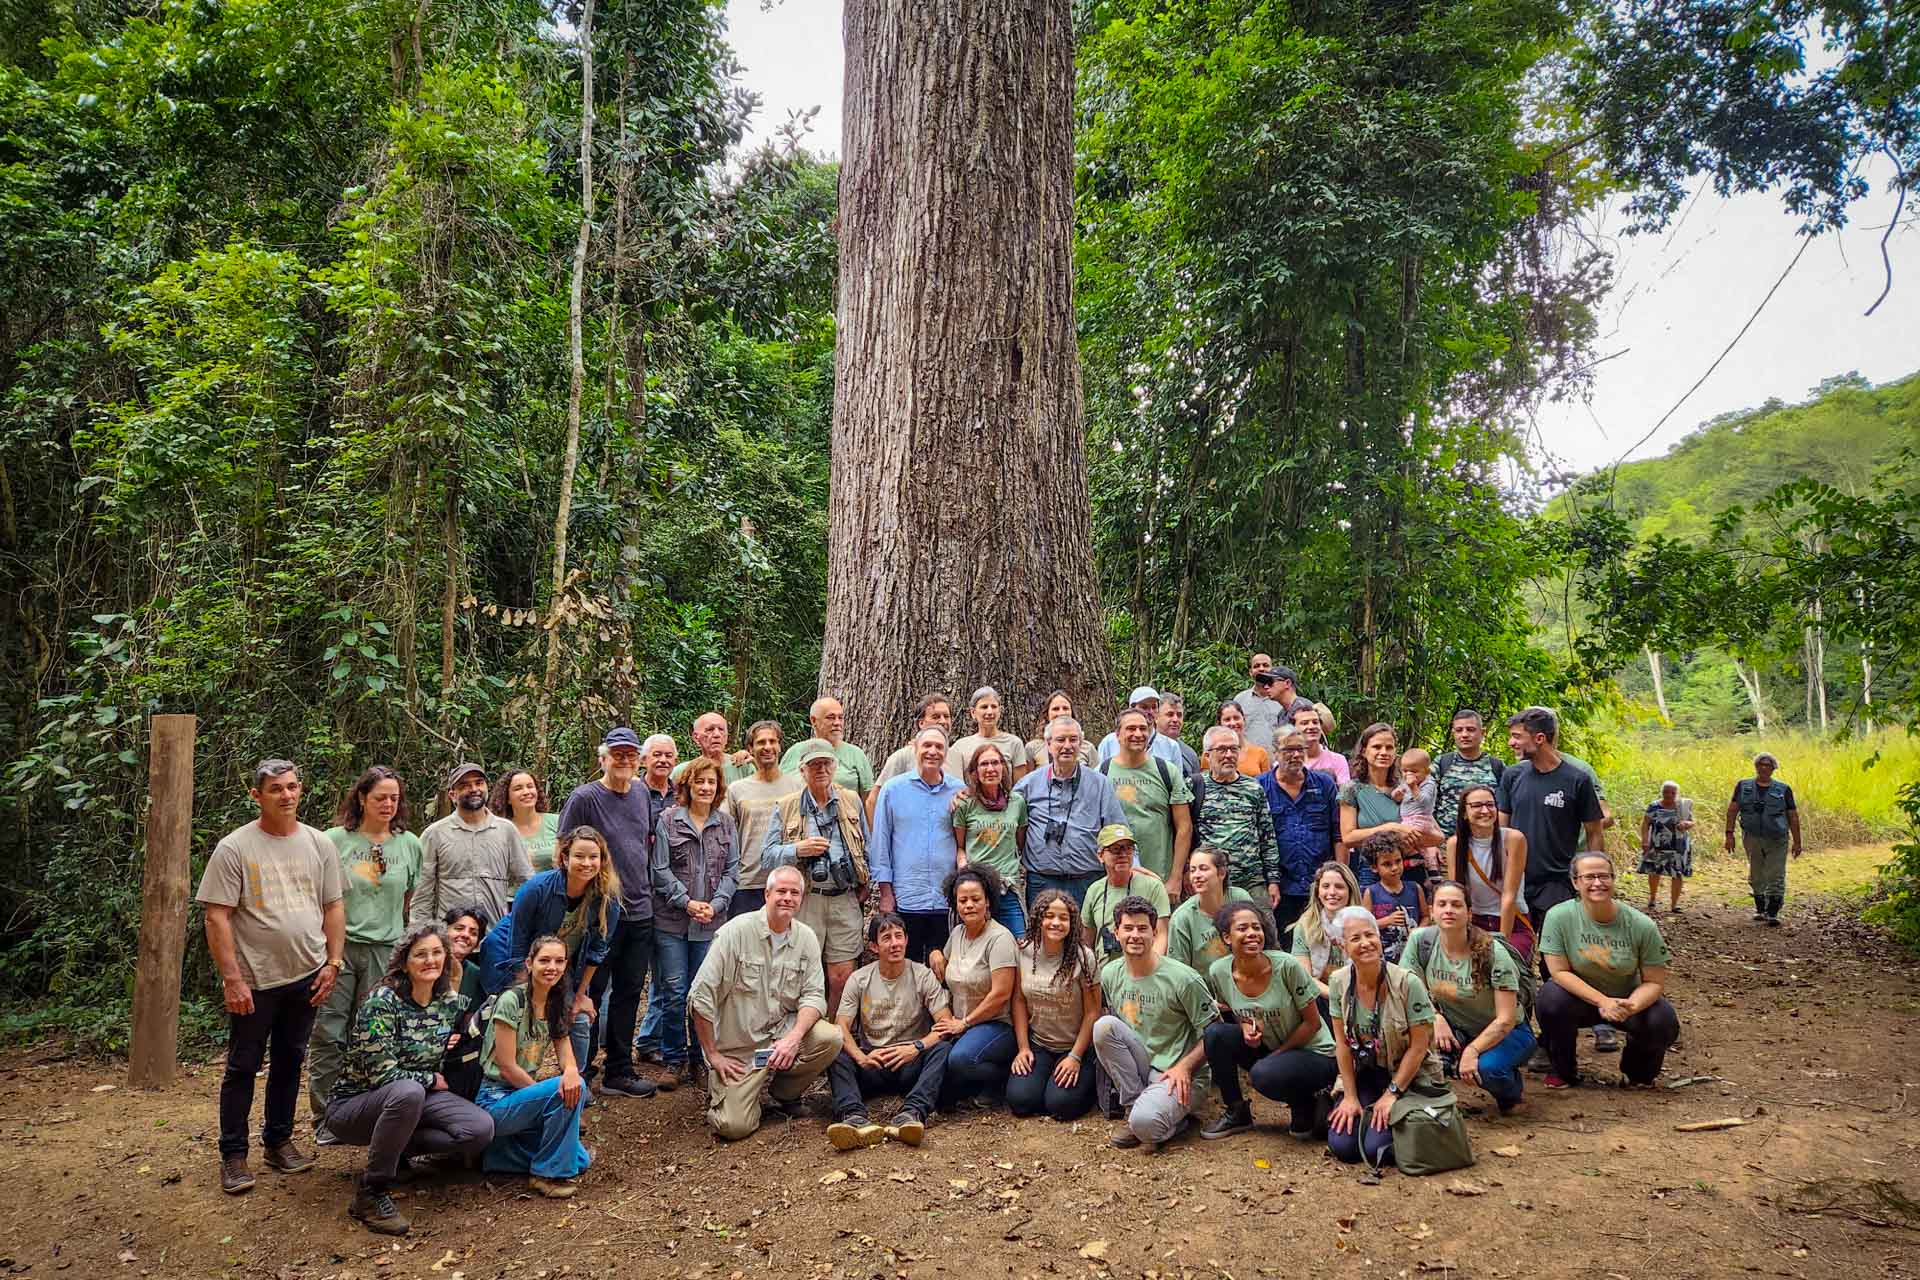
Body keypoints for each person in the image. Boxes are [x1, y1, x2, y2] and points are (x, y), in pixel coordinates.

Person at [197, 758, 345, 1194]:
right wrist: (232, 978)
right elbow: (216, 917)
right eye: (276, 788)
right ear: (256, 795)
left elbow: (333, 906)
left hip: (307, 973)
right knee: (243, 1065)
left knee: (290, 1059)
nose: (286, 795)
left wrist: (333, 962)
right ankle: (233, 1155)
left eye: (293, 787)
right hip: (256, 979)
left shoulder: (319, 844)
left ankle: (278, 1141)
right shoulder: (235, 848)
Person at [322, 924, 494, 1234]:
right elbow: (382, 1073)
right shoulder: (381, 1002)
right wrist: (429, 1078)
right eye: (420, 955)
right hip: (355, 1105)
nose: (430, 960)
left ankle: (397, 1151)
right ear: (404, 961)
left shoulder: (446, 1002)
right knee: (409, 1091)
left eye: (437, 953)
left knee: (479, 1129)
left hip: (414, 1097)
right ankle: (371, 1193)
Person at [688, 865, 845, 1140]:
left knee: (830, 1037)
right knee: (733, 1127)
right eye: (781, 891)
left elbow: (813, 996)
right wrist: (712, 1055)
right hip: (739, 1049)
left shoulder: (806, 937)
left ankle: (785, 1093)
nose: (787, 897)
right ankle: (735, 1095)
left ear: (801, 899)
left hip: (780, 1037)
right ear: (766, 894)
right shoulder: (734, 933)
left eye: (794, 893)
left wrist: (794, 1038)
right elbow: (699, 998)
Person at [310, 766, 423, 1142]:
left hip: (386, 950)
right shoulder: (332, 841)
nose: (388, 804)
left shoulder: (410, 844)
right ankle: (325, 1117)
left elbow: (408, 900)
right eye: (380, 797)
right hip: (338, 949)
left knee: (374, 1034)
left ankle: (365, 1113)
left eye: (394, 798)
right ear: (361, 798)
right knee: (329, 1031)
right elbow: (320, 898)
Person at [554, 728, 660, 1100]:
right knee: (590, 990)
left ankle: (619, 1069)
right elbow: (563, 850)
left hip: (640, 909)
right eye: (618, 755)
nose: (625, 761)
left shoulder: (642, 793)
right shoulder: (585, 797)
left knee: (630, 990)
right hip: (598, 912)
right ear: (603, 758)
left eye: (632, 755)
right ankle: (578, 1072)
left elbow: (643, 846)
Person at [1538, 853, 1680, 1088]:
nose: (1597, 883)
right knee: (1550, 999)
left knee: (1662, 1020)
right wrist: (1602, 1001)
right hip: (1580, 999)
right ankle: (1563, 1070)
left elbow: (1654, 982)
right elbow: (1558, 971)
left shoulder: (1640, 924)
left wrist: (1631, 1006)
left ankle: (1638, 1073)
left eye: (1604, 876)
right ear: (1575, 882)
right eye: (1589, 877)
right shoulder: (1559, 916)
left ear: (1613, 880)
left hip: (1627, 1000)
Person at [489, 827, 619, 1081]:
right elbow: (517, 947)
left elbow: (597, 950)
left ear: (602, 860)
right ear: (564, 858)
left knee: (578, 1017)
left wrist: (580, 995)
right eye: (579, 856)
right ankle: (510, 1081)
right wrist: (533, 997)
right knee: (517, 1018)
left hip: (560, 966)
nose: (587, 863)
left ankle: (574, 1082)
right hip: (516, 960)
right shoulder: (536, 889)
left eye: (594, 857)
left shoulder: (606, 897)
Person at [1200, 900, 1338, 1141]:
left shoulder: (1286, 966)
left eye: (1257, 927)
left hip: (1314, 1052)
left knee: (1264, 1074)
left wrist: (1277, 1055)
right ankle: (1236, 1111)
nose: (1252, 933)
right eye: (1242, 928)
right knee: (1215, 1034)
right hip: (1271, 1047)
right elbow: (1234, 1013)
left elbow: (1312, 1024)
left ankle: (1307, 1099)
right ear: (1227, 937)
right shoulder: (1219, 971)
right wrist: (1245, 1027)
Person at [1326, 907, 1446, 1174]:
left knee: (1374, 1151)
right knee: (1343, 1146)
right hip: (1367, 1073)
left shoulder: (1406, 983)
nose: (1366, 943)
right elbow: (1342, 1044)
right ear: (1342, 945)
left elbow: (1419, 1046)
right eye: (1355, 938)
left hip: (1408, 1077)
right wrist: (1349, 1095)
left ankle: (1414, 1121)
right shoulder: (1338, 982)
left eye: (1370, 934)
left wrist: (1392, 1094)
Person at [1092, 896, 1217, 1150]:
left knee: (1147, 1125)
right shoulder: (1110, 973)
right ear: (1116, 933)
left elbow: (1215, 1032)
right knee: (1103, 1026)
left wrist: (1186, 1067)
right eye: (1128, 928)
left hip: (1179, 1073)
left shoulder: (1183, 978)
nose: (1135, 935)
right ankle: (1135, 1105)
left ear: (1155, 932)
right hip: (1143, 1062)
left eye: (1142, 928)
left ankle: (1157, 1115)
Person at [1403, 882, 1535, 1114]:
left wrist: (1472, 1051)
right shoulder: (1421, 942)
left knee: (1487, 1069)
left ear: (1469, 913)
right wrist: (1434, 1016)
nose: (1448, 910)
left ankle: (1511, 1093)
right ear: (1432, 911)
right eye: (1442, 904)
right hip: (1455, 1028)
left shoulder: (1491, 951)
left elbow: (1505, 1020)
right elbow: (1407, 987)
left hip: (1508, 1032)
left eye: (1456, 905)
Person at [476, 935, 592, 1197]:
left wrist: (571, 1071)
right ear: (530, 963)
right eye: (545, 960)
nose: (552, 967)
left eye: (559, 961)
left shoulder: (555, 1000)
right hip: (495, 1097)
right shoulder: (511, 1001)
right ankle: (546, 1175)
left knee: (581, 1160)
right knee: (563, 1093)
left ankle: (498, 1157)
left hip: (522, 1098)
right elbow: (506, 1067)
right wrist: (546, 1099)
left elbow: (565, 1054)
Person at [764, 738, 872, 1021]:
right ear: (802, 771)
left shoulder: (850, 801)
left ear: (834, 767)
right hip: (806, 899)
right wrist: (798, 849)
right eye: (814, 765)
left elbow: (869, 848)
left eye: (826, 763)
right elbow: (766, 856)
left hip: (844, 898)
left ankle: (834, 1035)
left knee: (841, 977)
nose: (821, 769)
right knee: (800, 972)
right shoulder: (787, 806)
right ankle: (801, 1034)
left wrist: (866, 883)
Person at [650, 757, 741, 1086]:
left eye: (711, 782)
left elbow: (734, 870)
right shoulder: (668, 820)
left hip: (711, 923)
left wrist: (716, 905)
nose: (705, 787)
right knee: (674, 991)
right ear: (687, 786)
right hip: (672, 920)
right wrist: (686, 903)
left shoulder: (726, 823)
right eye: (699, 782)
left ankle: (701, 1058)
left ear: (718, 788)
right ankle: (673, 1059)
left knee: (704, 992)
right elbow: (658, 869)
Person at [826, 913, 952, 1149]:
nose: (894, 943)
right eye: (886, 938)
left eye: (899, 936)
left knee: (943, 1048)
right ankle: (854, 1118)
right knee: (835, 1050)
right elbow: (841, 1026)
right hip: (873, 1062)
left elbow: (945, 1024)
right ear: (874, 946)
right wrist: (861, 1058)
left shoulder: (922, 975)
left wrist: (916, 1048)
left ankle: (911, 1115)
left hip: (910, 1062)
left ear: (906, 940)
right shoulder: (860, 979)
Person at [1497, 707, 1606, 933]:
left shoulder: (1578, 780)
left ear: (1539, 738)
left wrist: (1592, 875)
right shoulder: (1512, 775)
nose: (1511, 743)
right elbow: (1501, 829)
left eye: (1517, 736)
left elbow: (1594, 832)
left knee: (1554, 955)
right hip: (1515, 882)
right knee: (1514, 953)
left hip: (1557, 884)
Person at [870, 726, 967, 963]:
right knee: (907, 967)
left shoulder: (960, 791)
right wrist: (885, 892)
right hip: (906, 898)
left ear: (946, 753)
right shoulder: (893, 790)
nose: (932, 752)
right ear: (915, 748)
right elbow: (880, 842)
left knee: (945, 968)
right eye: (927, 745)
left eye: (939, 747)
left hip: (946, 900)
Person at [929, 867, 1020, 1108]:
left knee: (960, 1059)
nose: (969, 905)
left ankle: (1001, 1080)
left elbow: (1001, 995)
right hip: (961, 1023)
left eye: (976, 899)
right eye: (963, 900)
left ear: (988, 902)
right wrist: (936, 952)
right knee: (932, 1065)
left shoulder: (1000, 938)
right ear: (955, 904)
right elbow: (944, 969)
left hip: (996, 1024)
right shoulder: (958, 933)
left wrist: (965, 1023)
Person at [1008, 890, 1100, 1121]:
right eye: (1049, 916)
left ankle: (1090, 1081)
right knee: (1021, 1102)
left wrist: (1075, 1057)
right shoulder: (1024, 951)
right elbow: (1019, 1000)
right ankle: (1044, 1082)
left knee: (1061, 1106)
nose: (1056, 923)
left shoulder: (1083, 957)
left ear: (1073, 923)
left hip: (1076, 1046)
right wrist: (1023, 1048)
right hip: (1039, 1044)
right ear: (1038, 918)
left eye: (1063, 918)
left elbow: (1093, 1013)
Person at [1016, 716, 1125, 910]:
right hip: (1042, 881)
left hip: (1087, 881)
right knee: (1043, 938)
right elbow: (1002, 814)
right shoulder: (1028, 785)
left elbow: (1117, 831)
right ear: (1048, 744)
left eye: (1073, 740)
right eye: (1060, 740)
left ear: (1081, 744)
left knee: (1086, 939)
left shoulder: (1100, 784)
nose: (1067, 745)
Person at [413, 763, 533, 928]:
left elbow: (527, 882)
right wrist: (420, 936)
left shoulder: (506, 830)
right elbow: (422, 894)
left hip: (495, 937)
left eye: (479, 783)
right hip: (449, 939)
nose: (474, 788)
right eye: (464, 785)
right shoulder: (435, 834)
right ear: (452, 795)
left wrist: (516, 924)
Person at [1099, 707, 1194, 885]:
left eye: (1144, 728)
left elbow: (1184, 827)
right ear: (1117, 734)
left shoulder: (1167, 771)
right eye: (1131, 728)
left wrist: (1175, 878)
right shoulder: (1102, 773)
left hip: (1160, 878)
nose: (1138, 734)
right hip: (1116, 879)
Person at [1261, 727, 1341, 935]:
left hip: (1320, 885)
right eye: (1289, 750)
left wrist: (1339, 876)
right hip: (1280, 887)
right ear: (1275, 752)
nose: (1296, 755)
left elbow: (1337, 834)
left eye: (1300, 749)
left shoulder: (1324, 785)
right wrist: (1271, 882)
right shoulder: (1260, 787)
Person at [1339, 724, 1436, 887]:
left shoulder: (1406, 786)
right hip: (1372, 870)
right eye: (1377, 747)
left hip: (1410, 868)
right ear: (1364, 751)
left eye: (1389, 747)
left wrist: (1419, 838)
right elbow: (1348, 838)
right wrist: (1390, 828)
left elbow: (1435, 835)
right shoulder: (1352, 789)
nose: (1383, 752)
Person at [1194, 725, 1281, 908]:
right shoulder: (1194, 787)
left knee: (1261, 933)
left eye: (1234, 749)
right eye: (1222, 749)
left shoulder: (1253, 788)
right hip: (1211, 884)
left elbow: (1267, 836)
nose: (1228, 755)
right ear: (1207, 755)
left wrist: (1273, 880)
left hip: (1252, 881)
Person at [724, 719, 803, 917]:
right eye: (761, 742)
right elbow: (726, 837)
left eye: (772, 741)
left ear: (779, 746)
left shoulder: (798, 788)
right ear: (750, 748)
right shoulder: (736, 789)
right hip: (747, 882)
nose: (767, 747)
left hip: (787, 883)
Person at [1445, 784, 1532, 956]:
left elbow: (1509, 896)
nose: (1485, 810)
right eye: (1477, 806)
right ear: (1464, 812)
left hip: (1512, 921)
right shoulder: (1456, 844)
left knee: (1504, 965)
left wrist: (1502, 944)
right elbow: (1456, 893)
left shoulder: (1513, 839)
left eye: (1490, 805)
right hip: (1475, 922)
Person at [951, 741, 1029, 934]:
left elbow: (1019, 843)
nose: (990, 769)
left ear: (1003, 767)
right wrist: (964, 869)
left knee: (1019, 943)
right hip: (978, 890)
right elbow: (960, 847)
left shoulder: (1017, 802)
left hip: (1008, 887)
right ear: (975, 772)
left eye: (995, 763)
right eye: (984, 764)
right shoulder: (964, 804)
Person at [1726, 752, 1801, 925]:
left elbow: (1793, 816)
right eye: (1761, 764)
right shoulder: (1743, 786)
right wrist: (1729, 834)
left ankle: (1773, 912)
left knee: (1776, 873)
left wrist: (1797, 841)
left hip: (1777, 838)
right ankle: (1760, 908)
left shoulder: (1783, 789)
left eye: (1768, 765)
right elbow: (1732, 810)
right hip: (1751, 836)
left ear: (1774, 769)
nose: (1764, 768)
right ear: (1756, 766)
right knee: (1756, 873)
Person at [1082, 823, 1171, 961]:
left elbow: (1161, 936)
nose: (1123, 855)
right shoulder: (1094, 890)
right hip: (1104, 974)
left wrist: (1151, 971)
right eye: (1116, 849)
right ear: (1100, 855)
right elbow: (1087, 941)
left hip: (1144, 971)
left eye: (1128, 849)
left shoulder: (1153, 886)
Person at [870, 694, 962, 818]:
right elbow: (873, 801)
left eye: (946, 716)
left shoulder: (957, 756)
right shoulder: (902, 757)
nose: (943, 721)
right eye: (936, 716)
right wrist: (876, 835)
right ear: (921, 723)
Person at [1166, 845, 1253, 971]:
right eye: (1192, 870)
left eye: (1203, 869)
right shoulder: (1182, 918)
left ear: (1221, 873)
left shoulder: (1240, 899)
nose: (1196, 875)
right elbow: (1179, 972)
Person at [1291, 861, 1365, 1000]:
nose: (1332, 892)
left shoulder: (1364, 925)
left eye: (1339, 887)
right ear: (1318, 892)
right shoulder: (1304, 926)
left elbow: (1372, 972)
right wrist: (1338, 997)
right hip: (1317, 997)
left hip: (1359, 996)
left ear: (1350, 891)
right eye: (1326, 886)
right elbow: (1304, 978)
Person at [440, 905, 492, 1101]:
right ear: (445, 930)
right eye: (459, 928)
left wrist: (459, 1035)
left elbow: (470, 1020)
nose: (465, 935)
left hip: (455, 1054)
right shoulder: (428, 964)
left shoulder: (475, 974)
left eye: (473, 932)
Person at [780, 695, 875, 799]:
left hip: (844, 814)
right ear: (813, 721)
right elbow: (779, 791)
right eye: (831, 717)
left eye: (840, 717)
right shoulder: (795, 752)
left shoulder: (856, 754)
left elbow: (869, 800)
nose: (837, 723)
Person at [1432, 710, 1507, 841]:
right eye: (1459, 730)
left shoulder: (1496, 766)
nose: (1465, 734)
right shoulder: (1442, 763)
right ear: (1453, 733)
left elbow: (1505, 807)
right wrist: (1430, 844)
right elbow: (1424, 804)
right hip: (1446, 844)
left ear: (1483, 732)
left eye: (1470, 729)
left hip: (1486, 844)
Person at [1360, 835, 1427, 962]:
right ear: (1374, 867)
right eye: (1387, 864)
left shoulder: (1415, 888)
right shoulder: (1371, 892)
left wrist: (1418, 931)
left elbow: (1426, 916)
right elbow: (1365, 925)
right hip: (1384, 958)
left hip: (1412, 955)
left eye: (1398, 861)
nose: (1395, 868)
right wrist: (1387, 921)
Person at [950, 685, 1033, 781]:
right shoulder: (960, 746)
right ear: (973, 713)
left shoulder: (1014, 743)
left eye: (994, 706)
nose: (990, 712)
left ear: (1000, 711)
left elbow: (1020, 787)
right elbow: (954, 785)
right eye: (984, 707)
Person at [1095, 686, 1189, 770]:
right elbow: (1100, 778)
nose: (1150, 712)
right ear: (1132, 708)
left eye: (1154, 707)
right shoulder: (1110, 742)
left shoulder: (1171, 746)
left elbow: (1177, 783)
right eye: (1144, 707)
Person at [1639, 781, 1696, 914]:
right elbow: (1645, 823)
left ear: (1677, 794)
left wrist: (1687, 824)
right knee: (1654, 871)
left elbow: (1692, 821)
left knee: (1677, 873)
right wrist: (1645, 841)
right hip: (1657, 844)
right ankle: (1652, 898)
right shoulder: (1654, 806)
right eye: (1666, 792)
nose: (1669, 795)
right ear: (1662, 792)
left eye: (1673, 792)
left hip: (1679, 845)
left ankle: (1674, 905)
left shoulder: (1682, 806)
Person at [492, 767, 561, 872]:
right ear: (507, 798)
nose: (526, 792)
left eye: (530, 786)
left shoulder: (557, 822)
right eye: (518, 788)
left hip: (555, 887)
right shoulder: (501, 830)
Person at [1392, 747, 1444, 879]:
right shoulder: (1406, 782)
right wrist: (1397, 794)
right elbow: (1397, 798)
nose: (1409, 774)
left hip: (1420, 819)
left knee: (1400, 840)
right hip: (1408, 819)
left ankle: (1411, 862)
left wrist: (1413, 787)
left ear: (1426, 771)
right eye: (1405, 771)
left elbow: (1425, 802)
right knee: (1422, 848)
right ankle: (1432, 871)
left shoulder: (1428, 783)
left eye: (1414, 771)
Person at [672, 712, 753, 784]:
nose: (717, 734)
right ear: (696, 737)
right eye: (710, 730)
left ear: (727, 737)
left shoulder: (742, 765)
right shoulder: (682, 771)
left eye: (721, 729)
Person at [1026, 690, 1099, 769]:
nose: (1061, 713)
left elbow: (1096, 778)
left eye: (1065, 708)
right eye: (1056, 709)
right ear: (1047, 715)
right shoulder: (1033, 748)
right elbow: (1029, 779)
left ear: (1072, 713)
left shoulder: (1088, 748)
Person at [1231, 653, 1284, 759]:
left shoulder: (1281, 699)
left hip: (1276, 763)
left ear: (1272, 670)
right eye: (1256, 666)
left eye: (1265, 665)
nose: (1261, 668)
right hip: (1248, 763)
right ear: (1250, 672)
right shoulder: (1240, 700)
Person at [1201, 701, 1270, 776]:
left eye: (1236, 718)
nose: (1233, 723)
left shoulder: (1259, 753)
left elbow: (1266, 785)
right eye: (1227, 719)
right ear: (1219, 723)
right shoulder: (1211, 754)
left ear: (1244, 719)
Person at [1296, 702, 1350, 786]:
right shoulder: (1287, 761)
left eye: (1315, 722)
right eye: (1304, 723)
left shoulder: (1338, 760)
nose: (1311, 727)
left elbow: (1345, 794)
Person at [1154, 693, 1203, 782]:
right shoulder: (1146, 749)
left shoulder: (1189, 754)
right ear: (1156, 717)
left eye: (1179, 715)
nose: (1175, 720)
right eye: (1170, 714)